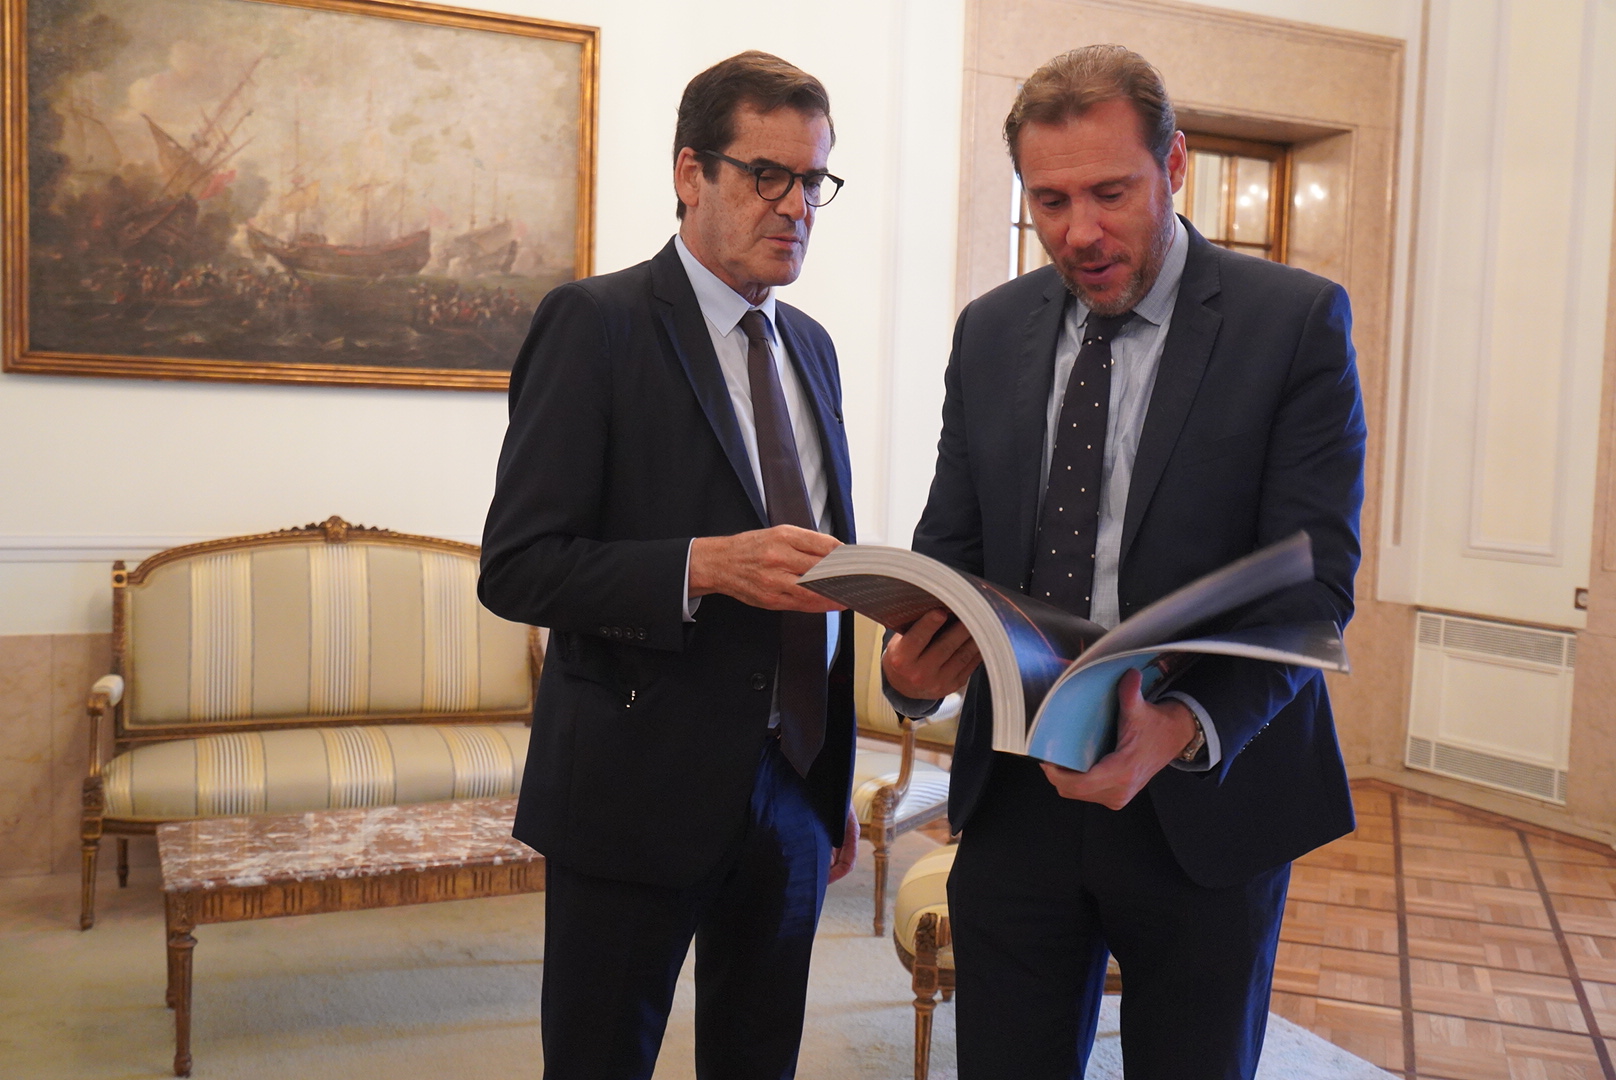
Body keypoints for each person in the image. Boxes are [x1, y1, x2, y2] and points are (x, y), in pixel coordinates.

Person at [882, 45, 1367, 1080]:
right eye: (1048, 201)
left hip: (1206, 797)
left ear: (1173, 163)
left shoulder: (1292, 322)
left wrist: (1183, 727)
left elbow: (1315, 584)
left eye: (1110, 193)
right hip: (1017, 801)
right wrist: (911, 671)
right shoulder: (989, 332)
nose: (1079, 233)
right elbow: (950, 554)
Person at [478, 51, 859, 1080]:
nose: (796, 207)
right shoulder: (594, 324)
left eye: (813, 180)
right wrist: (701, 567)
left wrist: (826, 780)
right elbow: (518, 567)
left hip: (792, 788)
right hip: (634, 789)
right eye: (766, 175)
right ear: (691, 172)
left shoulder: (813, 347)